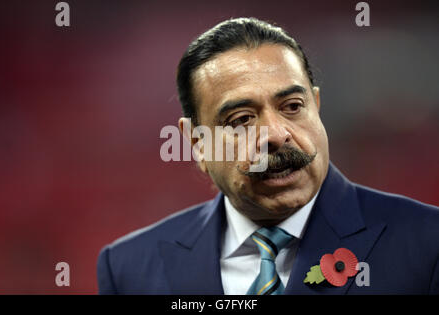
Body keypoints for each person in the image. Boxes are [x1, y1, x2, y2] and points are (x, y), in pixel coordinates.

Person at [97, 17, 439, 295]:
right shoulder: (128, 269)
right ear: (198, 143)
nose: (276, 135)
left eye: (292, 107)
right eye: (241, 119)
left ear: (316, 108)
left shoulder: (427, 244)